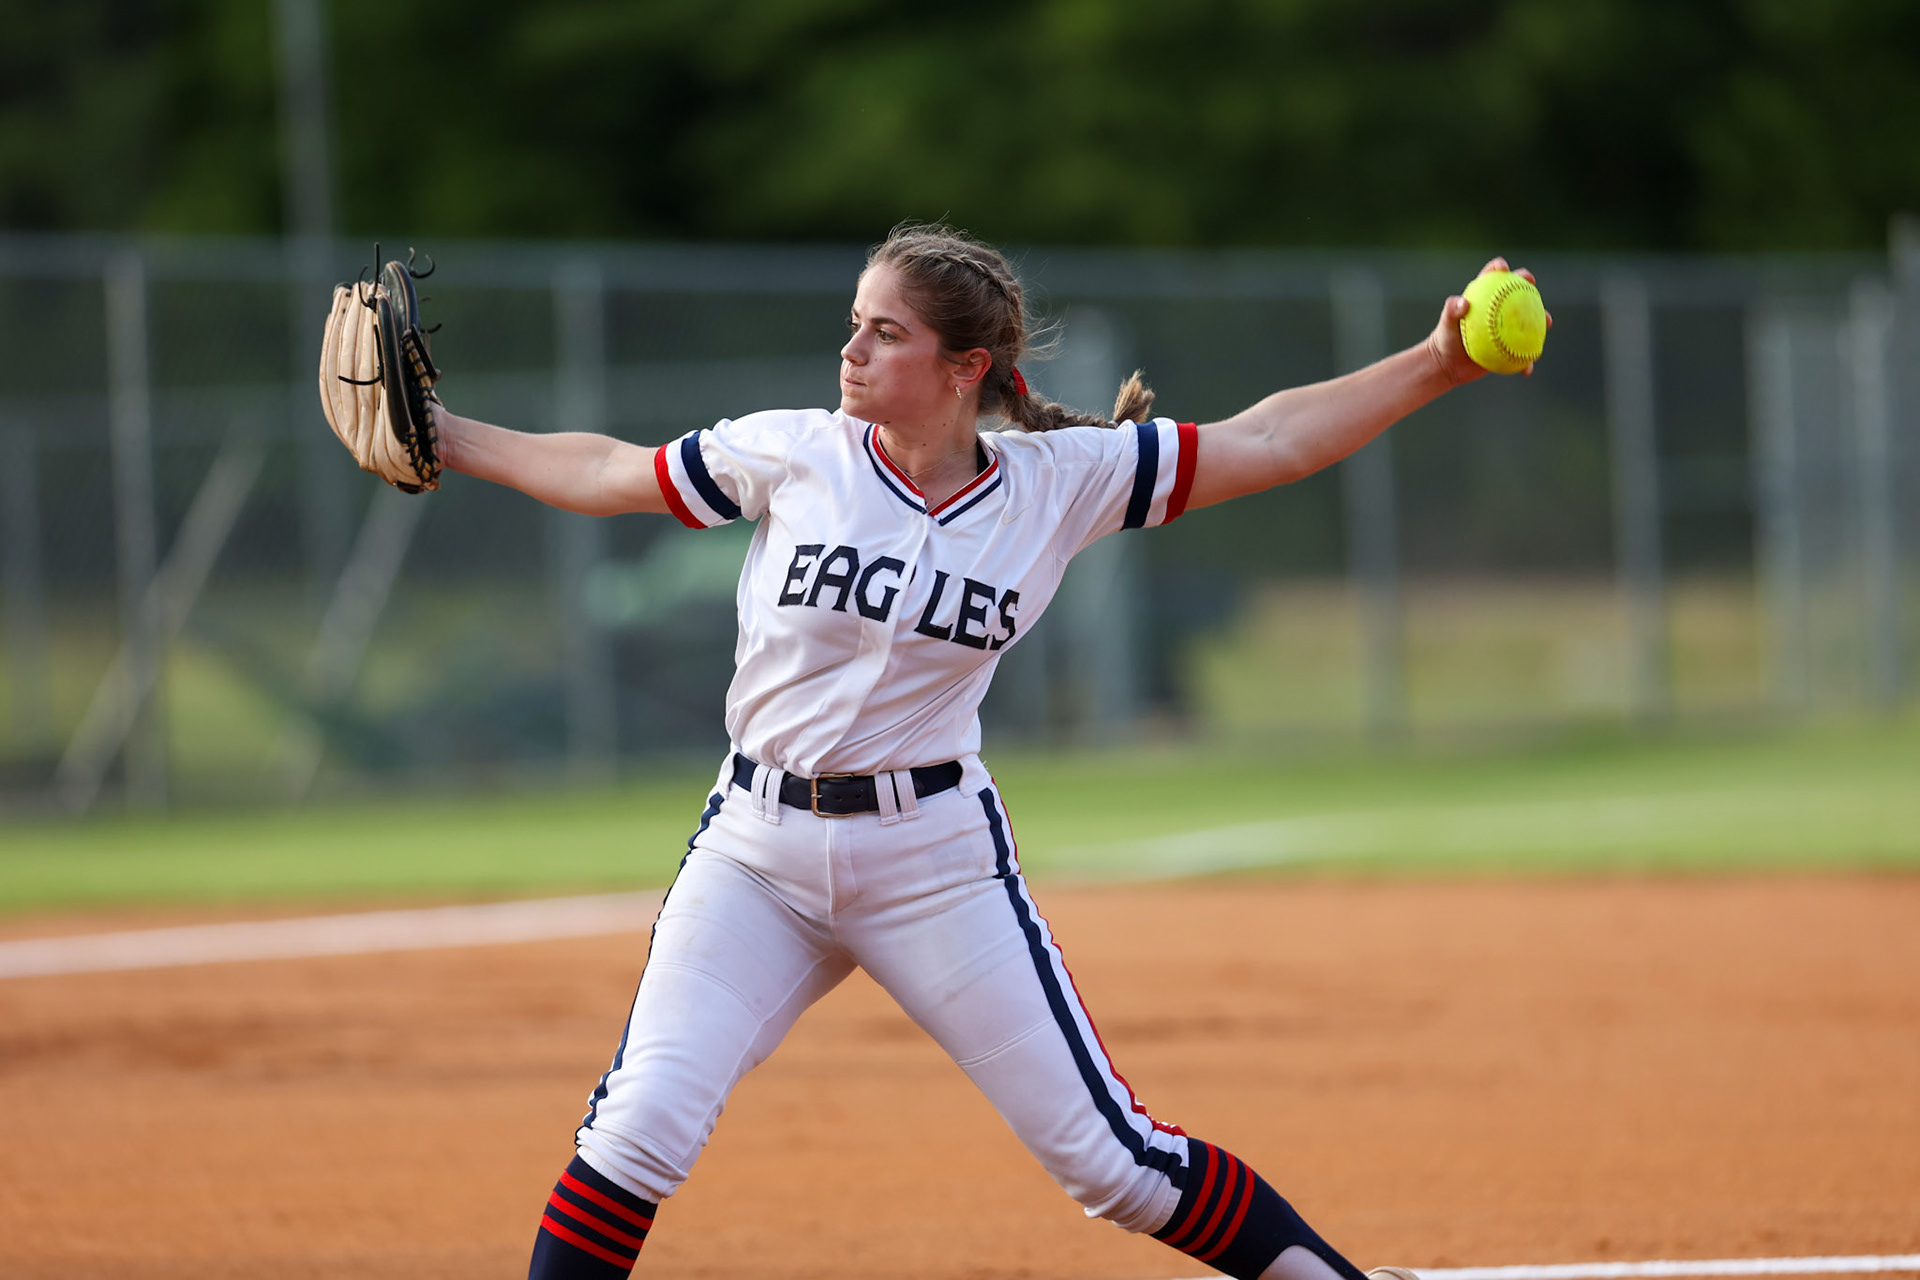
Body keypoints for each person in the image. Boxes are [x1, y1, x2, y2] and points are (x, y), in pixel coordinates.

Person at [430, 223, 1540, 1280]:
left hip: (934, 860)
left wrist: (1439, 363)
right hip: (756, 853)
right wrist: (448, 438)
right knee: (638, 1126)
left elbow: (1272, 439)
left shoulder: (1059, 482)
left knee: (1112, 1161)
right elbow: (607, 470)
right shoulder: (796, 451)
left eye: (885, 331)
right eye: (856, 321)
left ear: (964, 368)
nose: (852, 347)